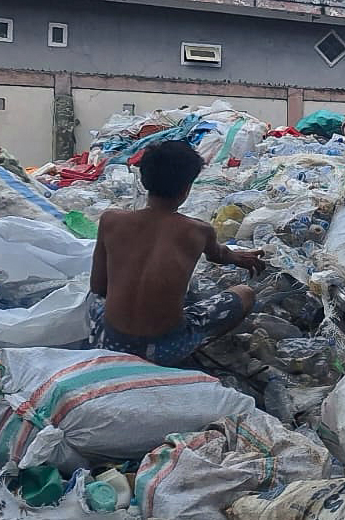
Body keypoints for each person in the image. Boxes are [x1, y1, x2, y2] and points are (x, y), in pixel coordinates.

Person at [88, 141, 264, 366]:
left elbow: (98, 288)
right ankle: (187, 351)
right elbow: (218, 255)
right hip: (163, 350)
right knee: (245, 293)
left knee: (92, 297)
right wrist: (238, 258)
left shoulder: (111, 220)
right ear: (186, 188)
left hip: (109, 343)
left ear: (144, 180)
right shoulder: (198, 231)